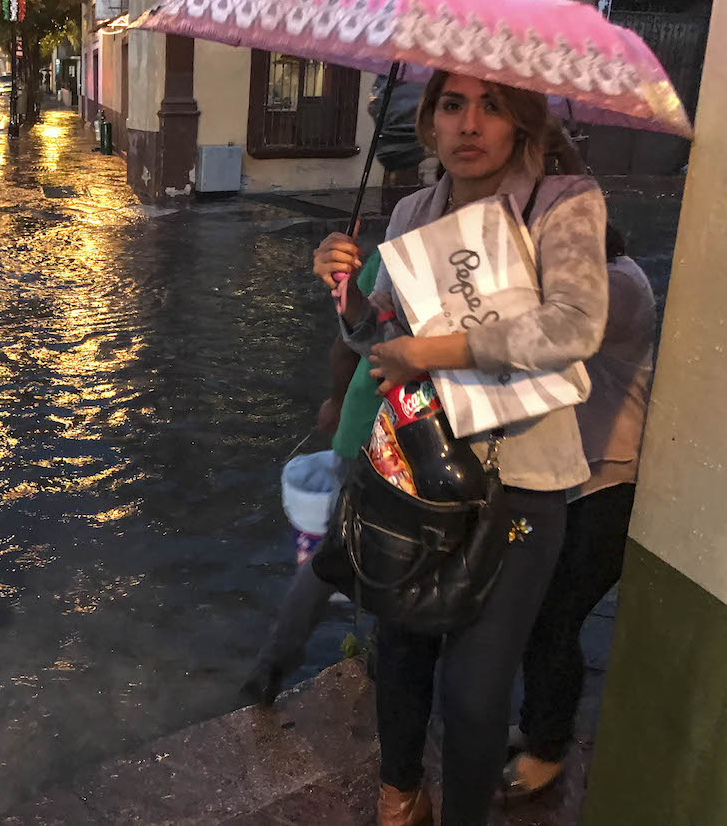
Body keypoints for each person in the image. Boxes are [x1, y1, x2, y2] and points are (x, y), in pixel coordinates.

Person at [314, 70, 608, 826]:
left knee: (476, 692)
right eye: (453, 105)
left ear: (521, 123)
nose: (470, 124)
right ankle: (400, 795)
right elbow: (378, 340)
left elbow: (574, 326)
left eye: (493, 106)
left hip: (524, 483)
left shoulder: (563, 203)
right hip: (419, 472)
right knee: (403, 653)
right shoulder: (413, 209)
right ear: (430, 122)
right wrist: (345, 291)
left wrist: (433, 352)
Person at [501, 224, 655, 800]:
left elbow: (543, 330)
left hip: (612, 479)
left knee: (552, 615)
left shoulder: (618, 287)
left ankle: (548, 748)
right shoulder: (610, 277)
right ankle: (540, 722)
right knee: (542, 612)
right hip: (577, 477)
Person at [240, 254, 387, 707]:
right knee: (402, 557)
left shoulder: (387, 248)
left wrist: (339, 400)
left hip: (360, 423)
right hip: (402, 435)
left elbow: (346, 342)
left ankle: (269, 670)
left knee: (333, 552)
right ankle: (383, 663)